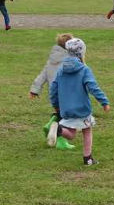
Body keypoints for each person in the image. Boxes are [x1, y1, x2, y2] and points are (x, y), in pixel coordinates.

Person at [47, 38, 110, 166]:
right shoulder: (84, 70)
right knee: (87, 130)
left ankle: (58, 129)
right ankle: (88, 158)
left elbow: (53, 88)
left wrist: (55, 105)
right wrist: (104, 102)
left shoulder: (60, 70)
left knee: (70, 134)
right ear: (81, 53)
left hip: (66, 109)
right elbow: (93, 87)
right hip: (82, 108)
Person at [31, 33, 78, 151]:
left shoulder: (52, 60)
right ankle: (61, 141)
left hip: (54, 94)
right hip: (66, 94)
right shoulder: (69, 61)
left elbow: (43, 74)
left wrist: (34, 90)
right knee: (66, 117)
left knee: (61, 113)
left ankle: (49, 125)